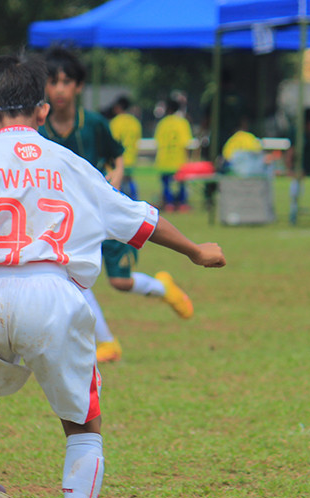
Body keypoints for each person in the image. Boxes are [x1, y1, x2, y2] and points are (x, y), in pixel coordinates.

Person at [0, 53, 225, 498]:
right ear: (41, 111)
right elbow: (139, 219)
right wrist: (196, 250)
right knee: (83, 424)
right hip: (54, 296)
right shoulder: (69, 162)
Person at [40, 47, 194, 364]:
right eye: (52, 82)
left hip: (102, 212)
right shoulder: (39, 128)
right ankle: (107, 342)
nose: (59, 89)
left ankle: (164, 288)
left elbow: (117, 153)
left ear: (78, 86)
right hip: (66, 220)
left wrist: (118, 173)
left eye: (66, 81)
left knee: (120, 282)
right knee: (69, 277)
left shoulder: (94, 123)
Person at [153, 97, 193, 212]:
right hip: (179, 160)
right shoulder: (182, 123)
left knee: (166, 184)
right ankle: (181, 204)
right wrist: (187, 159)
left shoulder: (162, 123)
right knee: (181, 183)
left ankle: (169, 204)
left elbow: (158, 142)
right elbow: (186, 143)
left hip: (164, 159)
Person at [286, 108, 310, 224]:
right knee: (296, 182)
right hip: (301, 163)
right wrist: (290, 168)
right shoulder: (297, 132)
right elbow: (290, 152)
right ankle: (293, 211)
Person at [108, 96, 141, 200]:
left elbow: (113, 142)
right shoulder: (135, 122)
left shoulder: (115, 122)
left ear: (118, 107)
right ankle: (135, 201)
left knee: (120, 184)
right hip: (131, 157)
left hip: (119, 159)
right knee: (130, 180)